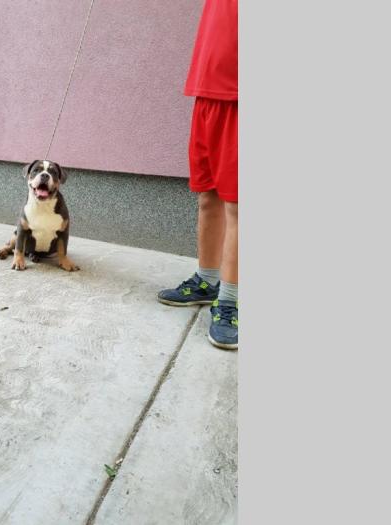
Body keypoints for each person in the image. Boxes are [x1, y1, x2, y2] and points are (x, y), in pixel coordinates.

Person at [158, 0, 238, 350]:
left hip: (240, 94)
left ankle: (231, 301)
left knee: (239, 205)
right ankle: (207, 280)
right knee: (209, 196)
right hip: (206, 90)